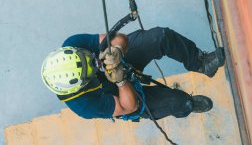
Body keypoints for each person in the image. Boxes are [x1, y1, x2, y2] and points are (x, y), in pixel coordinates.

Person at [41, 27, 225, 121]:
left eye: (88, 57)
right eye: (92, 67)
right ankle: (187, 105)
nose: (96, 62)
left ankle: (201, 63)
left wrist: (118, 51)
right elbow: (128, 106)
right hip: (120, 96)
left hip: (119, 60)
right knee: (178, 102)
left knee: (160, 37)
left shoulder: (72, 43)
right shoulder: (83, 106)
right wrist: (121, 82)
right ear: (82, 83)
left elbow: (120, 38)